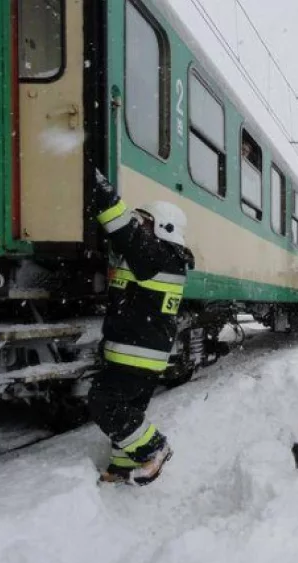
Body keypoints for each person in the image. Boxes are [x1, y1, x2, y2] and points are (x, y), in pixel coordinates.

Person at [90, 170, 194, 486]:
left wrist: (99, 188)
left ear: (163, 227)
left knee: (104, 403)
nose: (140, 226)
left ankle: (154, 447)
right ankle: (122, 469)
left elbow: (124, 230)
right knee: (129, 409)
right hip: (139, 350)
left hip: (136, 351)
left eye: (145, 221)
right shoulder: (160, 258)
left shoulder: (159, 256)